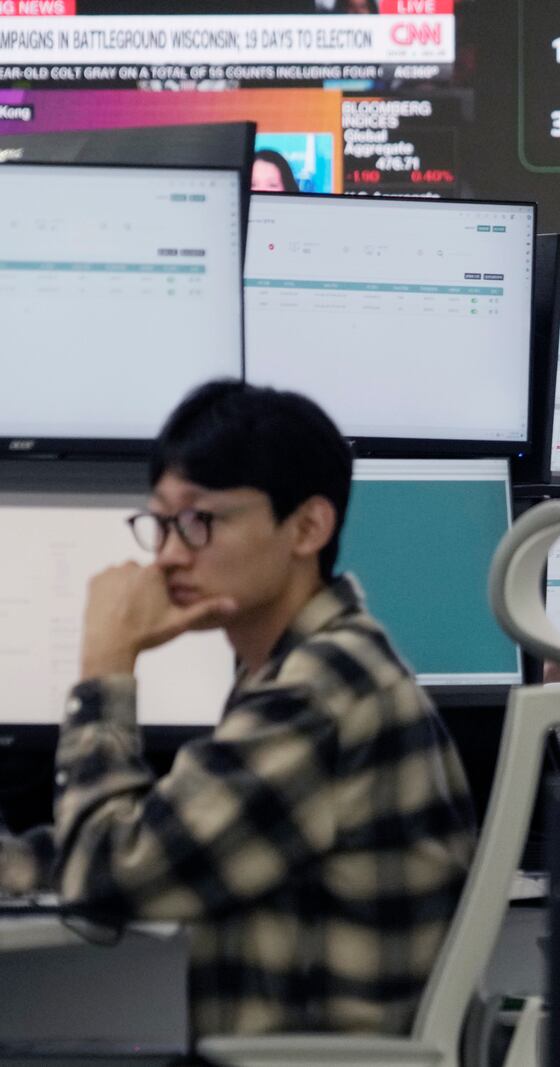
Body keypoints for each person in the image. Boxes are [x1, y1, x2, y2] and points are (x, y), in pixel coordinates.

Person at [0, 381, 476, 1040]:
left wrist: (106, 668)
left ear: (308, 525)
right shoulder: (305, 664)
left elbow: (108, 879)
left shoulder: (318, 690)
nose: (167, 553)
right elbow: (165, 837)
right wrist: (15, 864)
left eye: (199, 519)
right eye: (161, 521)